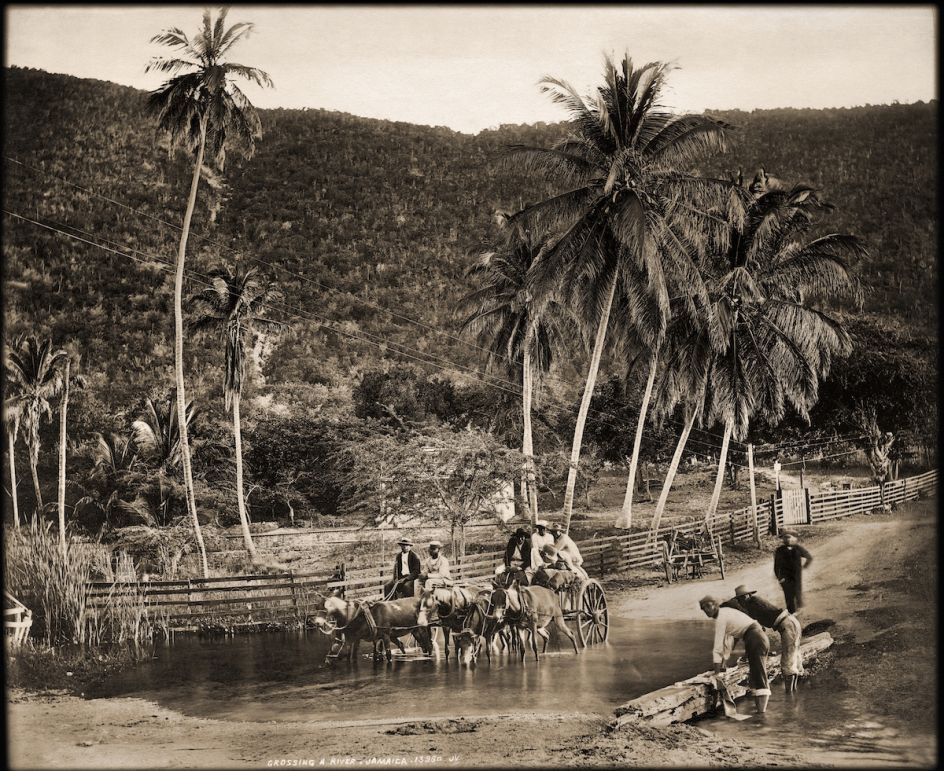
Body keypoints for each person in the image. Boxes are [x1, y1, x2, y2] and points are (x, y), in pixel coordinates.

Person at [699, 595, 771, 714]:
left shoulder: (722, 617)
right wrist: (722, 667)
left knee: (759, 676)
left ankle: (761, 716)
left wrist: (717, 672)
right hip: (755, 637)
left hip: (755, 638)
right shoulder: (726, 613)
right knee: (755, 674)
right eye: (703, 608)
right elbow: (728, 644)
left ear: (715, 605)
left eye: (708, 606)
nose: (706, 610)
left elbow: (719, 647)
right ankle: (759, 714)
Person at [732, 584, 804, 693]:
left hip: (788, 625)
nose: (739, 602)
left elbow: (756, 632)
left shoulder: (752, 604)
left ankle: (789, 695)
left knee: (787, 663)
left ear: (746, 596)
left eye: (740, 599)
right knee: (794, 658)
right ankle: (793, 696)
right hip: (791, 622)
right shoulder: (755, 601)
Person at [774, 530, 813, 613]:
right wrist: (779, 578)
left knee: (797, 591)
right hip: (785, 576)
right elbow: (776, 566)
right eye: (785, 538)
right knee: (788, 594)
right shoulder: (780, 550)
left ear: (794, 539)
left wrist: (805, 566)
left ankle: (799, 608)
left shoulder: (798, 548)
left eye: (789, 537)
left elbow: (809, 557)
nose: (787, 540)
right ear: (783, 539)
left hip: (796, 575)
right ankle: (791, 611)